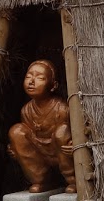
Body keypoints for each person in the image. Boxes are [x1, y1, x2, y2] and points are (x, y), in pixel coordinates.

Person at [7, 59, 77, 193]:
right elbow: (28, 137)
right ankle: (42, 180)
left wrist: (75, 143)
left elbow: (74, 132)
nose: (31, 82)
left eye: (40, 78)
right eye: (28, 77)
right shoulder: (26, 110)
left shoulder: (62, 109)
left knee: (62, 132)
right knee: (16, 131)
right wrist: (17, 147)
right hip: (39, 152)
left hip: (60, 151)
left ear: (53, 85)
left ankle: (73, 180)